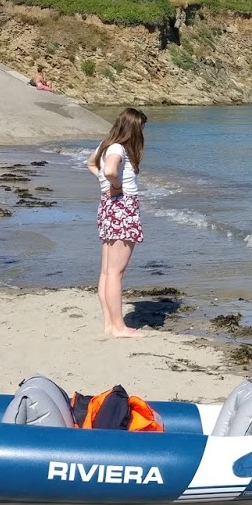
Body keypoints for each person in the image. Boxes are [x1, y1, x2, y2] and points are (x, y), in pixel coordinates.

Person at [87, 107, 147, 338]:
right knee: (115, 273)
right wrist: (116, 185)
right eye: (140, 128)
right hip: (122, 206)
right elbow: (111, 169)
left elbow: (91, 164)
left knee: (106, 271)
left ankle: (109, 324)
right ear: (132, 128)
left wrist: (106, 183)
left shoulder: (105, 145)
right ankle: (120, 327)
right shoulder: (117, 148)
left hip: (109, 207)